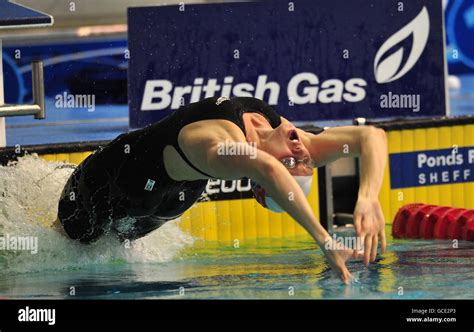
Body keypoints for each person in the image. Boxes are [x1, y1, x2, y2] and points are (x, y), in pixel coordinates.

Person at [54, 96, 387, 284]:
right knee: (69, 241)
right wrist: (368, 195)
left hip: (146, 194)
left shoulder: (223, 148)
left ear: (259, 187)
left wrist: (323, 241)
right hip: (108, 178)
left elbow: (269, 168)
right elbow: (371, 137)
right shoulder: (290, 140)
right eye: (305, 162)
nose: (301, 152)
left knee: (86, 256)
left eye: (292, 163)